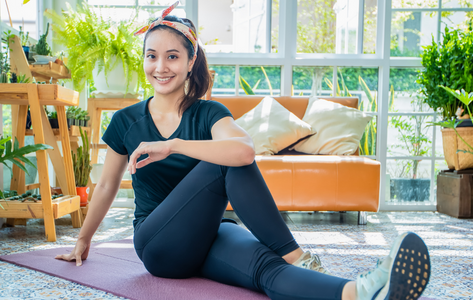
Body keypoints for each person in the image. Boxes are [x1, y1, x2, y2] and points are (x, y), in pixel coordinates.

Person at [56, 2, 431, 299]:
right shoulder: (127, 120)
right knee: (221, 164)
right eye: (152, 55)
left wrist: (175, 145)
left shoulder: (209, 112)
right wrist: (84, 240)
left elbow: (245, 151)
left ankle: (359, 293)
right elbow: (106, 186)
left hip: (212, 232)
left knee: (265, 266)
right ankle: (299, 254)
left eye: (172, 56)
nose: (160, 66)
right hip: (159, 246)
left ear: (190, 63)